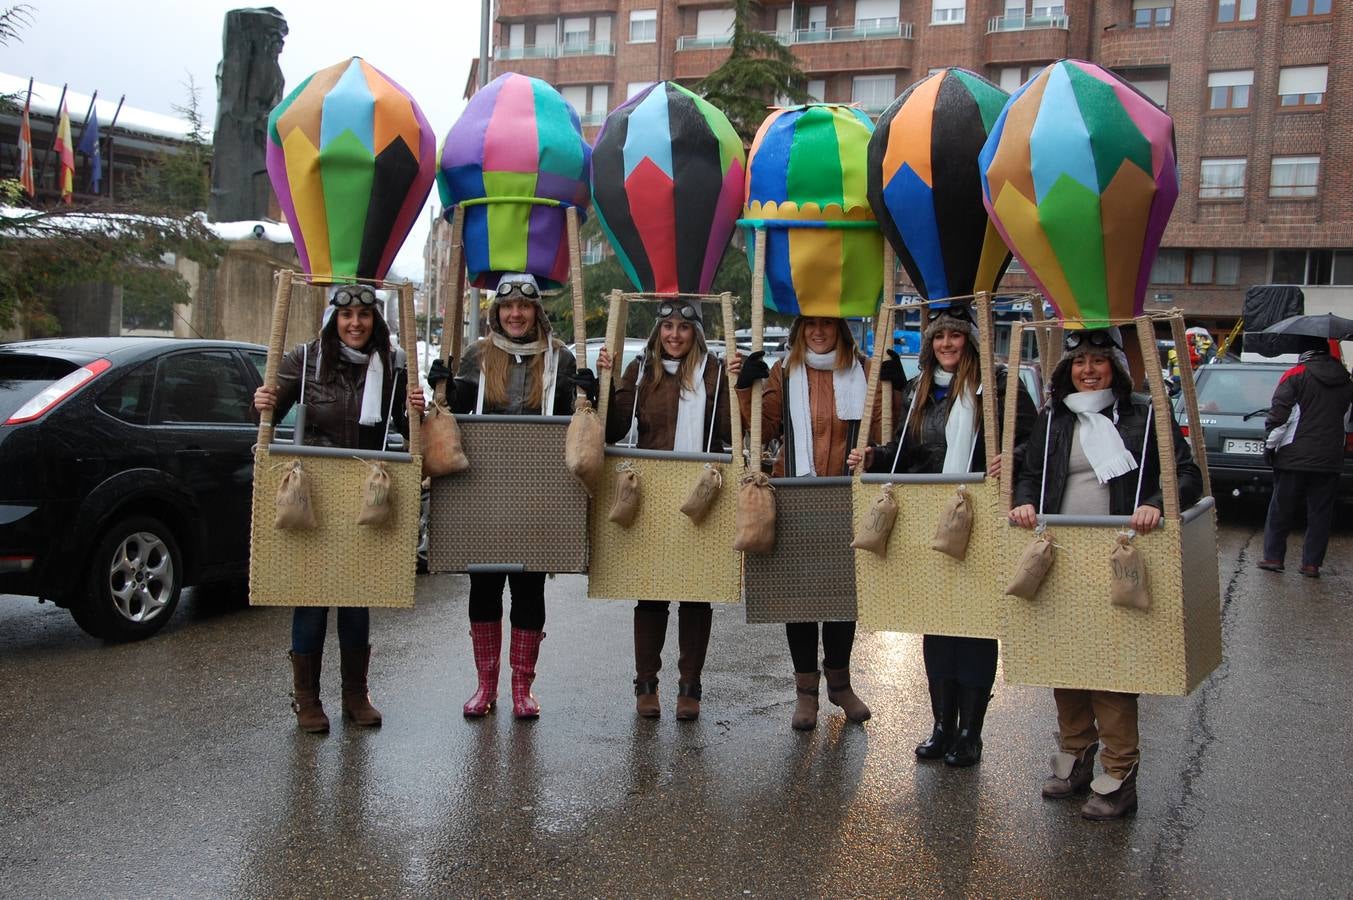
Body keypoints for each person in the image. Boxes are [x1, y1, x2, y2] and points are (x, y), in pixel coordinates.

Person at [1009, 327, 1201, 820]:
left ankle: (1119, 774)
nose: (1088, 369)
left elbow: (1185, 473)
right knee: (1067, 659)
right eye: (1079, 362)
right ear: (1066, 370)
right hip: (1060, 556)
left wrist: (1155, 504)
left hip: (1119, 553)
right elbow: (1030, 473)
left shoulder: (1146, 412)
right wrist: (1024, 501)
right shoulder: (1052, 418)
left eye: (1098, 360)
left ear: (1115, 366)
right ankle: (1076, 756)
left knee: (1114, 666)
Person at [848, 303, 1037, 768]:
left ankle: (970, 733)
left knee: (974, 626)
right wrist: (874, 455)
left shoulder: (998, 388)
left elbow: (1034, 443)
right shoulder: (918, 391)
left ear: (970, 341)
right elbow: (906, 453)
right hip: (931, 517)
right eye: (938, 338)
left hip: (981, 517)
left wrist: (1010, 456)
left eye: (954, 337)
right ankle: (941, 726)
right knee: (937, 622)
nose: (946, 345)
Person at [253, 283, 426, 734]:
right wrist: (260, 404)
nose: (355, 323)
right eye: (346, 315)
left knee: (357, 599)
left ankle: (355, 694)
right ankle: (307, 700)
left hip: (366, 493)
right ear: (334, 318)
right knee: (311, 600)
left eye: (364, 316)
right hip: (317, 493)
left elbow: (411, 434)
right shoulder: (305, 359)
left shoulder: (392, 364)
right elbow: (267, 417)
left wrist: (417, 411)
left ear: (375, 320)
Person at [427, 273, 577, 720]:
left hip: (536, 489)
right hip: (485, 492)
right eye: (508, 307)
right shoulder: (477, 355)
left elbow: (577, 421)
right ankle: (484, 685)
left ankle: (521, 688)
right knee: (485, 586)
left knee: (529, 588)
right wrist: (444, 387)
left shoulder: (559, 360)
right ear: (497, 312)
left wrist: (588, 390)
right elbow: (456, 412)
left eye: (524, 307)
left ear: (536, 312)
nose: (515, 314)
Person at [730, 315, 878, 731]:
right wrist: (748, 389)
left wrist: (891, 392)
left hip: (846, 496)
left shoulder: (864, 371)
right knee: (799, 598)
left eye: (826, 324)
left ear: (841, 330)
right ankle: (806, 694)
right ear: (798, 332)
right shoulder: (785, 371)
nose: (817, 332)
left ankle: (840, 684)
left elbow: (883, 430)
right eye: (809, 325)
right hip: (794, 492)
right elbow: (764, 427)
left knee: (842, 599)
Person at [588, 300, 731, 721]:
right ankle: (646, 684)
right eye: (667, 326)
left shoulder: (713, 373)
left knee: (696, 593)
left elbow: (726, 433)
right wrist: (608, 380)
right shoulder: (640, 370)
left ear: (696, 334)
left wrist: (741, 390)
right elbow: (614, 429)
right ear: (657, 331)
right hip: (652, 493)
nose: (674, 335)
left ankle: (690, 686)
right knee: (651, 592)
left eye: (683, 329)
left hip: (702, 492)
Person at [1258, 337, 1353, 578]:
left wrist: (1269, 447)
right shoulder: (1346, 381)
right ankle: (1311, 564)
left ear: (1304, 352)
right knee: (1321, 513)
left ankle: (1273, 558)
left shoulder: (1295, 375)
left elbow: (1280, 417)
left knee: (1281, 509)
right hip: (1330, 457)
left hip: (1293, 455)